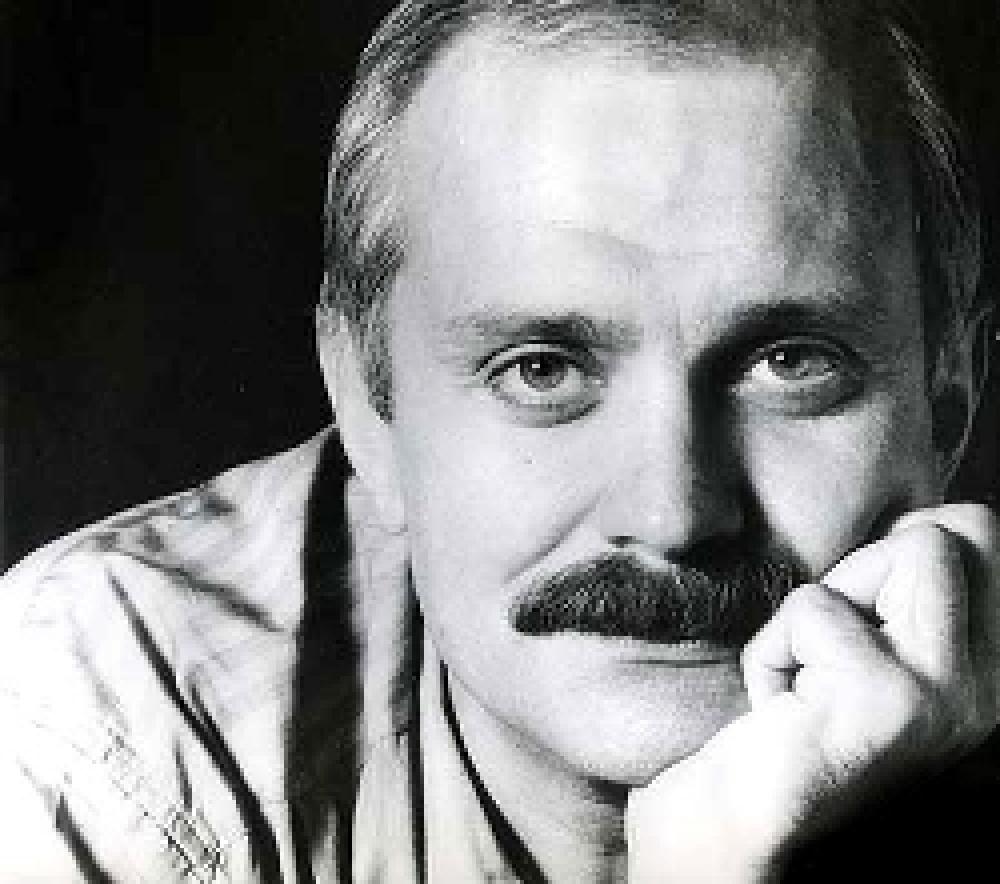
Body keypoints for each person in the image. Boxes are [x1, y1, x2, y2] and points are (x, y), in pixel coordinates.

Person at [2, 0, 998, 880]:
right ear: (369, 411)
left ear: (948, 396)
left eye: (789, 362)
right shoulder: (98, 738)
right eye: (542, 370)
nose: (674, 515)